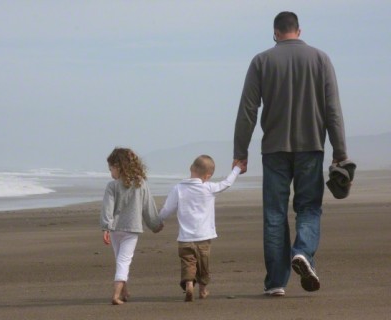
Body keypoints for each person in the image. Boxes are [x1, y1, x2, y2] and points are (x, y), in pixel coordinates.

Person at [233, 11, 349, 297]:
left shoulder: (261, 61)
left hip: (274, 149)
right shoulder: (320, 59)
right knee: (309, 208)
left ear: (275, 33)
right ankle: (303, 254)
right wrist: (340, 151)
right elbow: (332, 109)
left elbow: (248, 111)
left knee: (275, 214)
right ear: (299, 30)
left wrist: (240, 152)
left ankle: (275, 281)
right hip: (311, 147)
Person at [159, 155, 244, 302]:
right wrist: (237, 168)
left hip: (185, 238)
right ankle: (203, 289)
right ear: (208, 176)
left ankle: (189, 283)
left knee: (188, 262)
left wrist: (157, 221)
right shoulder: (209, 187)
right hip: (204, 237)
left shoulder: (178, 189)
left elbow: (166, 210)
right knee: (203, 265)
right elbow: (227, 183)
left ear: (191, 168)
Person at [100, 147, 163, 305]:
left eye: (111, 169)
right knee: (123, 261)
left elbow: (107, 208)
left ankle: (124, 292)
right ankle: (116, 295)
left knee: (120, 260)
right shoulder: (140, 184)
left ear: (118, 167)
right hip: (132, 229)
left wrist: (106, 227)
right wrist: (155, 225)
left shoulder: (112, 186)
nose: (110, 173)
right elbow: (148, 207)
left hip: (115, 229)